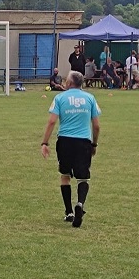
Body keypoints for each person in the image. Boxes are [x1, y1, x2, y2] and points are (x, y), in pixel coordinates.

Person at [41, 71, 101, 228]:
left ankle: (69, 212)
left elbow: (52, 122)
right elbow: (96, 125)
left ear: (69, 83)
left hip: (65, 141)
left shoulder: (60, 98)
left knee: (65, 176)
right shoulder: (90, 98)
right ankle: (80, 203)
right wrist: (94, 144)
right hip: (83, 142)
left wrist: (44, 143)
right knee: (83, 178)